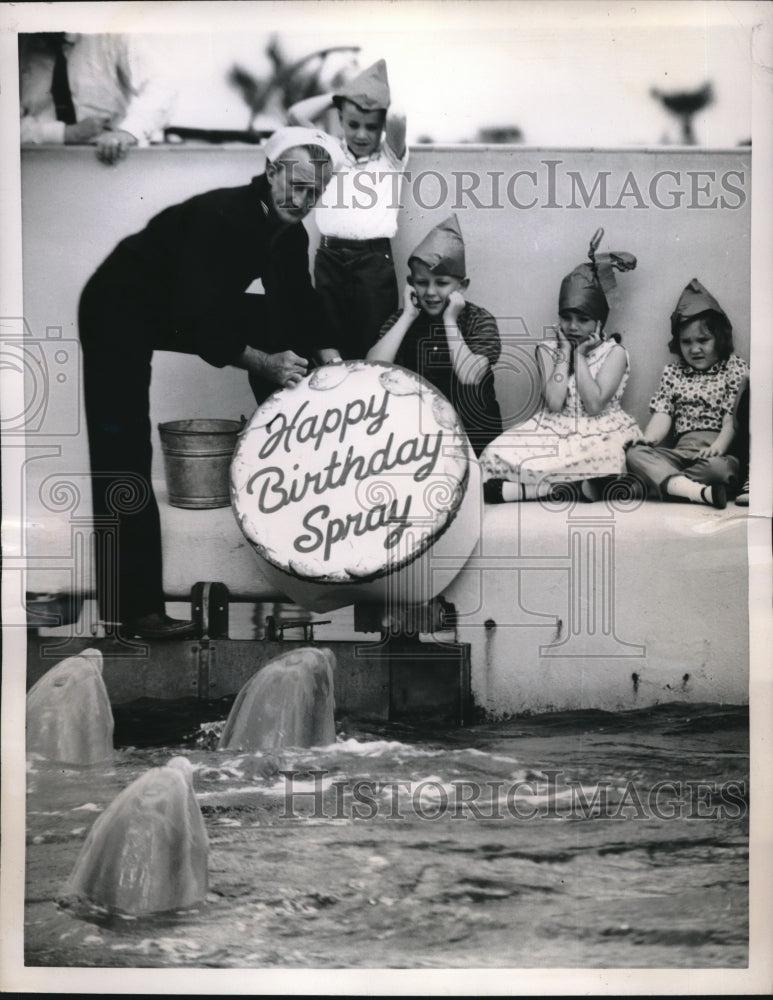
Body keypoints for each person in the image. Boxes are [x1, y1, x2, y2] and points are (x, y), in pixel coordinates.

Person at [78, 127, 342, 639]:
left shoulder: (290, 230)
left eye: (315, 193)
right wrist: (265, 365)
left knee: (275, 317)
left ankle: (293, 459)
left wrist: (329, 360)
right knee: (122, 450)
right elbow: (198, 319)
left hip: (175, 308)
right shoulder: (223, 216)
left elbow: (299, 305)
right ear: (270, 173)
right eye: (296, 185)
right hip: (117, 305)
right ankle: (132, 613)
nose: (303, 200)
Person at [480, 230, 639, 502]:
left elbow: (594, 405)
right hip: (553, 429)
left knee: (607, 458)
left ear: (599, 322)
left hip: (598, 432)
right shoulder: (548, 349)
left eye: (582, 319)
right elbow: (554, 403)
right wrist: (565, 352)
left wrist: (581, 357)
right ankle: (556, 489)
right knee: (495, 453)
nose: (573, 326)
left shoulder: (615, 353)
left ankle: (530, 490)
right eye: (566, 318)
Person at [287, 59, 408, 358]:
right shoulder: (328, 150)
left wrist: (369, 95)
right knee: (330, 344)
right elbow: (295, 114)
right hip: (330, 258)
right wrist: (340, 97)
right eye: (353, 124)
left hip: (374, 262)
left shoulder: (390, 158)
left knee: (372, 344)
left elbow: (398, 116)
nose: (362, 134)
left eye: (371, 127)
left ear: (380, 127)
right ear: (340, 119)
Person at [367, 213, 502, 456]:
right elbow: (372, 368)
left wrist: (450, 321)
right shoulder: (401, 319)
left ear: (462, 286)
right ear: (411, 284)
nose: (430, 292)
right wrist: (408, 316)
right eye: (422, 282)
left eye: (441, 283)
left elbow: (470, 376)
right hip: (421, 433)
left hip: (474, 432)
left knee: (482, 486)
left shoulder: (479, 320)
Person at [626, 279, 749, 509]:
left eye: (703, 340)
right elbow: (663, 413)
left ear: (719, 338)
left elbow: (732, 418)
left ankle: (660, 484)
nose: (694, 349)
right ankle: (696, 492)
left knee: (722, 469)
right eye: (686, 342)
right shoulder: (674, 372)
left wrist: (719, 447)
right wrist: (649, 438)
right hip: (680, 453)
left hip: (714, 451)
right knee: (635, 453)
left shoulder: (733, 367)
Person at [19, 32, 176, 164]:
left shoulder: (112, 36)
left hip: (110, 162)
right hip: (39, 166)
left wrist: (127, 133)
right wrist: (64, 133)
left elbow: (162, 84)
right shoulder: (15, 43)